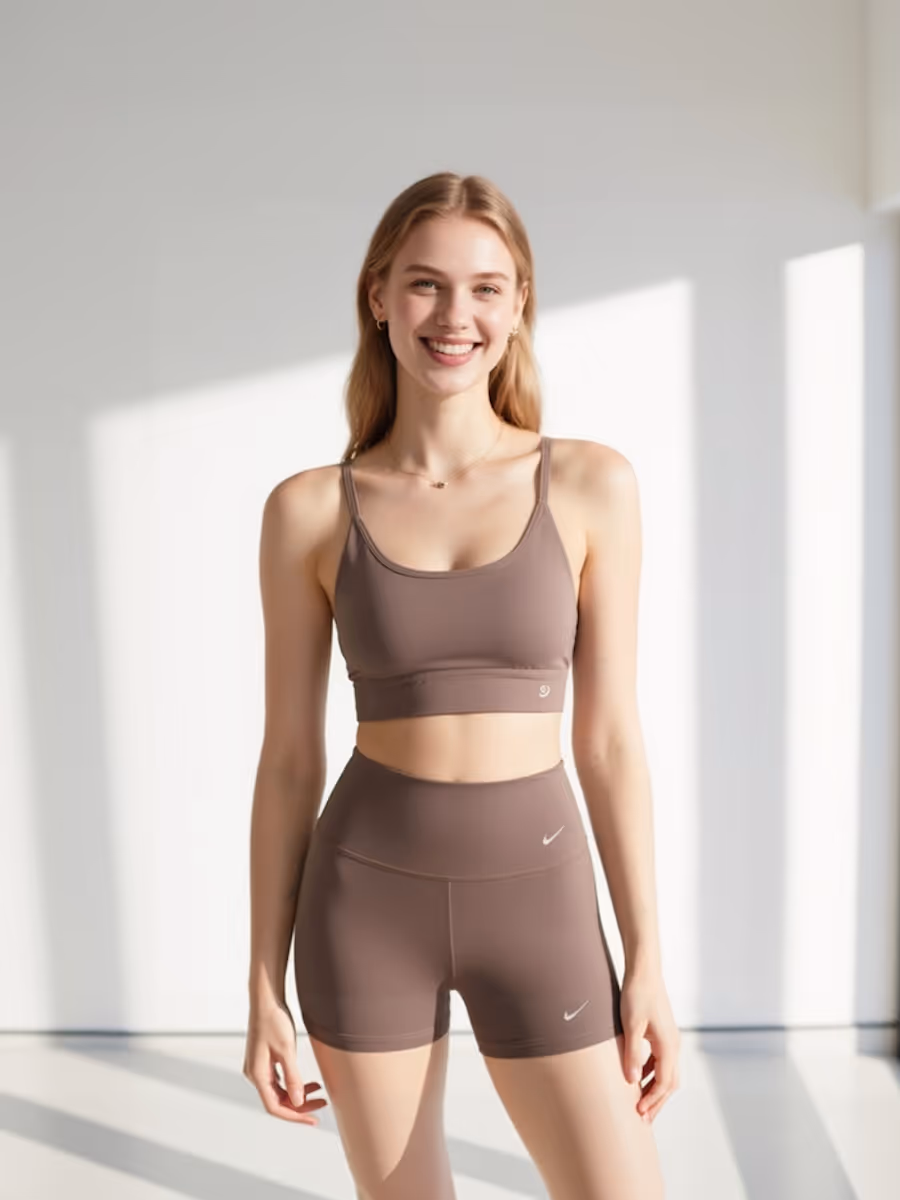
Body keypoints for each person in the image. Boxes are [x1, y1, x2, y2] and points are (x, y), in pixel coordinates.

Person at [243, 171, 678, 1199]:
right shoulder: (309, 510)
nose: (455, 316)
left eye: (486, 287)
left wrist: (647, 958)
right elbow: (289, 760)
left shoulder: (591, 484)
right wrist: (262, 987)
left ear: (519, 304)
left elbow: (610, 742)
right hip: (363, 904)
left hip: (541, 900)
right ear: (379, 297)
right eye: (426, 284)